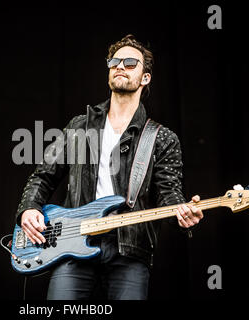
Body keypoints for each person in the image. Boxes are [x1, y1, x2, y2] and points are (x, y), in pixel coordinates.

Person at [15, 34, 204, 300]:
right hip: (72, 243)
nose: (120, 66)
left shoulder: (161, 138)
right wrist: (29, 208)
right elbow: (43, 176)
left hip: (128, 250)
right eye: (114, 61)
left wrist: (182, 214)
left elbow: (169, 194)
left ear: (145, 78)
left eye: (130, 63)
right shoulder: (80, 126)